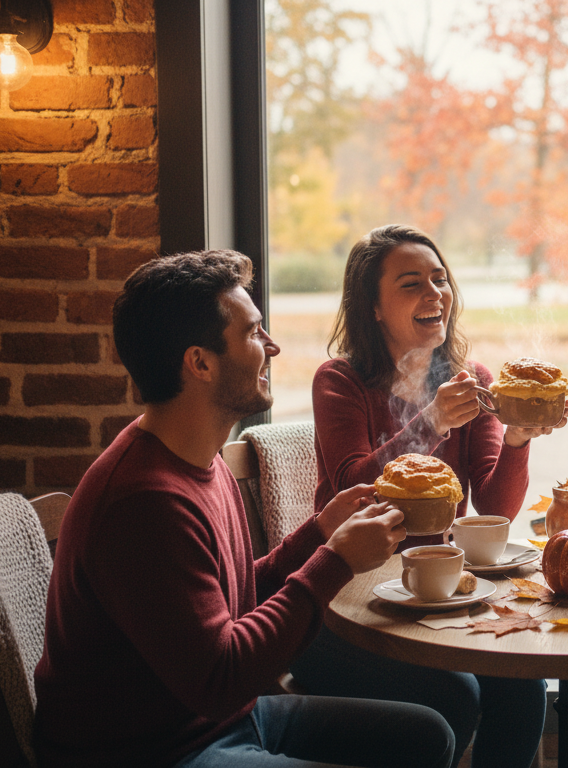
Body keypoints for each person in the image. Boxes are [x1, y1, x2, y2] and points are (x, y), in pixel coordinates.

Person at [33, 250, 454, 768]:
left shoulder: (199, 458)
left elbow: (231, 600)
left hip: (224, 720)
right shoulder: (143, 503)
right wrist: (336, 561)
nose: (272, 346)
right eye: (254, 333)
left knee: (429, 734)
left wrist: (320, 532)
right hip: (157, 751)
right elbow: (221, 679)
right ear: (201, 363)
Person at [289, 225, 559, 768]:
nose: (434, 293)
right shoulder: (339, 381)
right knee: (456, 694)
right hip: (347, 602)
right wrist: (431, 421)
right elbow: (353, 488)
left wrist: (519, 436)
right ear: (373, 308)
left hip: (438, 595)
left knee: (523, 682)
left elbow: (495, 507)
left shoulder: (471, 379)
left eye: (440, 279)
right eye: (411, 284)